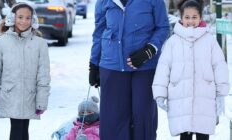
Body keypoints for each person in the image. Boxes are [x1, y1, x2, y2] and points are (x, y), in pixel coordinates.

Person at [88, 0, 170, 139]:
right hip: (112, 66)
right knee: (113, 119)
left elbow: (163, 27)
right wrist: (94, 64)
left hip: (145, 68)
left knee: (143, 116)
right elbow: (99, 32)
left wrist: (149, 50)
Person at [152, 0, 230, 140]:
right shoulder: (173, 42)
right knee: (185, 133)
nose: (190, 21)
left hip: (204, 96)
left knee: (203, 133)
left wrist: (221, 93)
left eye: (194, 17)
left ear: (200, 18)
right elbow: (163, 68)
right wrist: (160, 93)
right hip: (180, 97)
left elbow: (220, 66)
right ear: (181, 18)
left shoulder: (210, 41)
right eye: (187, 17)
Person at [0, 2, 51, 140]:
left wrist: (42, 99)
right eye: (20, 17)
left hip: (29, 95)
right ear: (13, 17)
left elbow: (43, 75)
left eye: (27, 18)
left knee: (23, 129)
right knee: (17, 128)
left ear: (33, 20)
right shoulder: (1, 41)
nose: (24, 21)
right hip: (10, 94)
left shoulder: (39, 44)